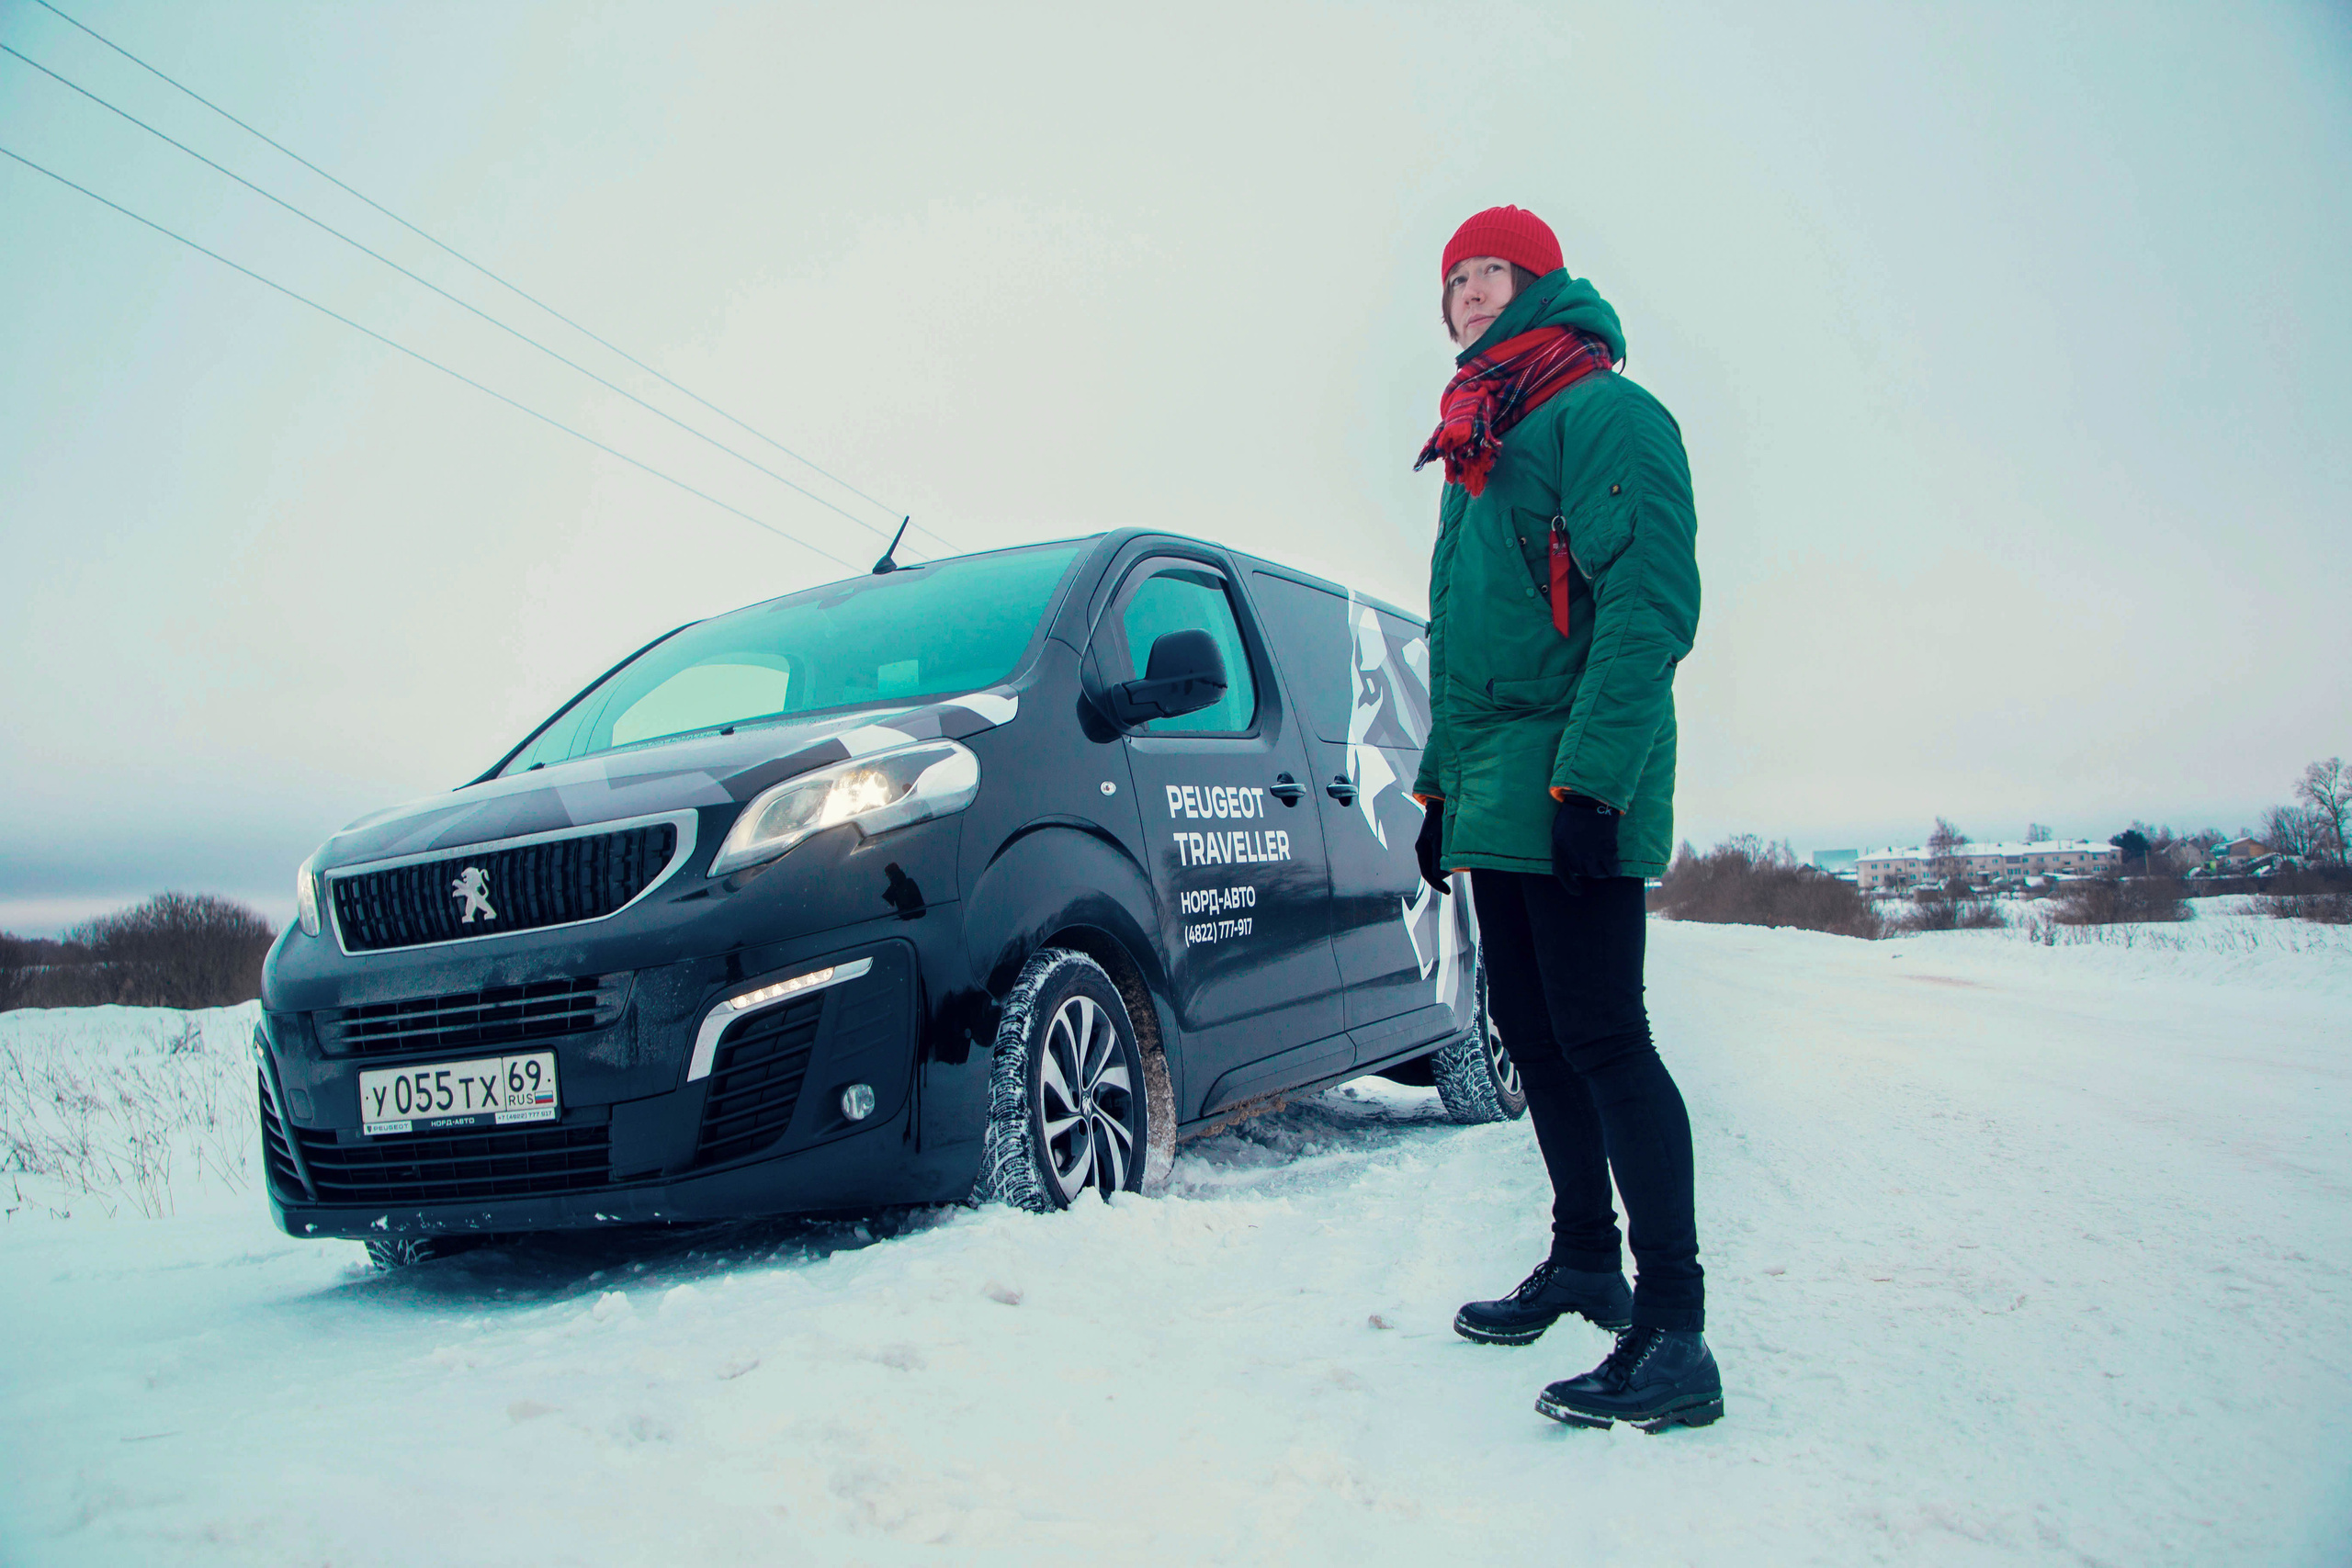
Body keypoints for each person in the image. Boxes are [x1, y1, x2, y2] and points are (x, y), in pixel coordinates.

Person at [1408, 205, 1721, 1432]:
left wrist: (1593, 780)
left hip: (1575, 785)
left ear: (1543, 285)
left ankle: (1676, 1328)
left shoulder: (1605, 414)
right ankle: (1586, 1257)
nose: (1474, 293)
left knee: (1604, 1039)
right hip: (1495, 791)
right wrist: (1440, 786)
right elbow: (1468, 648)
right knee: (1531, 1038)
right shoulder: (1482, 440)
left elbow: (1648, 609)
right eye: (1457, 280)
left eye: (1497, 272)